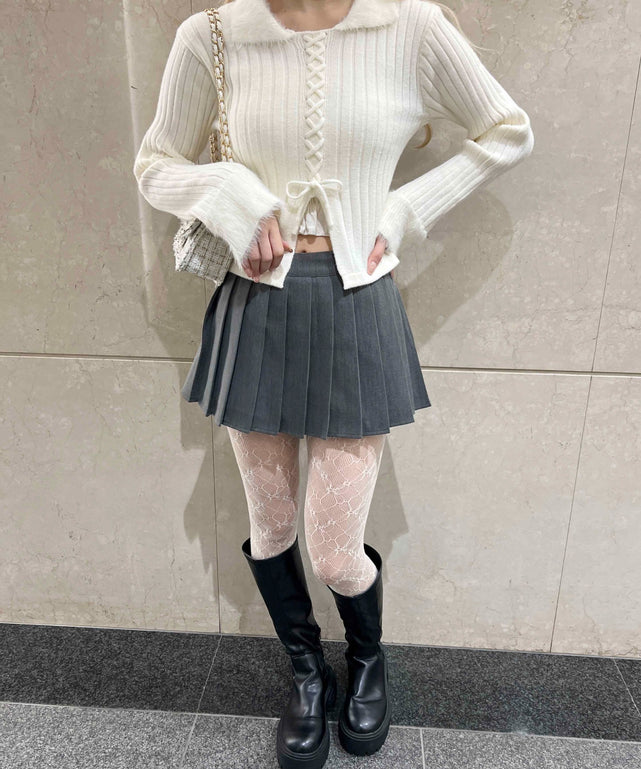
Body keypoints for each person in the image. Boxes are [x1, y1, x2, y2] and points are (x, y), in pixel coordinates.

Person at [133, 0, 534, 765]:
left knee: (333, 551)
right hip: (256, 307)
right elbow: (156, 164)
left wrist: (407, 208)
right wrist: (230, 197)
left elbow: (507, 131)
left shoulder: (409, 27)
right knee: (272, 529)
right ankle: (305, 672)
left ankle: (367, 658)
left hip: (356, 304)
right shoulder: (211, 35)